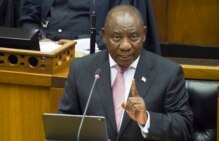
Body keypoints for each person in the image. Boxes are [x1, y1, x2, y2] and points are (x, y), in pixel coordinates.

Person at [58, 5, 193, 141]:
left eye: (134, 37)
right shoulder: (81, 69)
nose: (125, 46)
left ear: (144, 34)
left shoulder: (168, 73)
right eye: (116, 37)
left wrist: (146, 119)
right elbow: (64, 125)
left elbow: (184, 127)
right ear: (104, 36)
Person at [19, 0, 161, 54]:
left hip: (91, 53)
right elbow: (28, 17)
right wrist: (39, 39)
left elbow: (121, 31)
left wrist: (76, 45)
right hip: (44, 51)